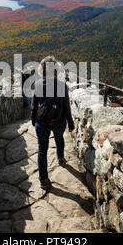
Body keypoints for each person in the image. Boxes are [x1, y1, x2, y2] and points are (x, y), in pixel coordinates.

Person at [31, 56, 75, 191]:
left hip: (41, 121)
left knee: (42, 150)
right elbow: (67, 106)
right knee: (59, 138)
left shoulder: (37, 84)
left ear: (42, 70)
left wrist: (33, 120)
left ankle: (43, 180)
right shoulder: (62, 85)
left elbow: (34, 105)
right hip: (58, 120)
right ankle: (61, 158)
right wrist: (71, 123)